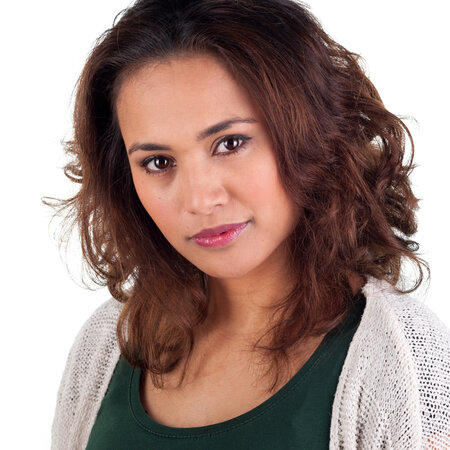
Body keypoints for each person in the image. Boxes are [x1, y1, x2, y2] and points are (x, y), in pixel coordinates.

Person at [48, 0, 450, 448]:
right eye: (158, 162)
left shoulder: (402, 366)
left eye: (230, 143)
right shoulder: (108, 343)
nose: (200, 200)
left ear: (309, 134)